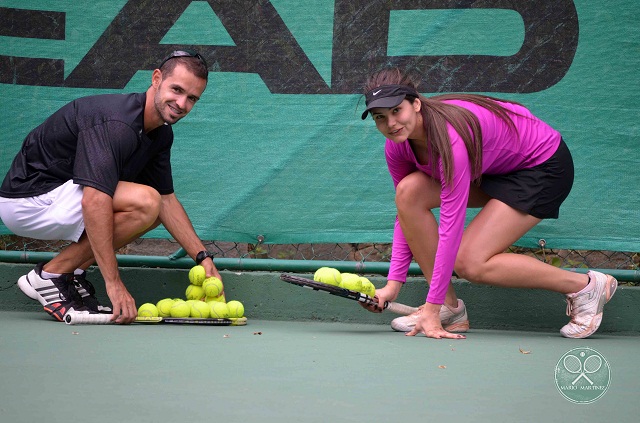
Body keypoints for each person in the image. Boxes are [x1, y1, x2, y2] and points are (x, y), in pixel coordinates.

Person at [359, 67, 617, 339]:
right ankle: (449, 307)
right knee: (408, 193)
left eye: (396, 111)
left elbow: (451, 226)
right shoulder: (397, 145)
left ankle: (586, 287)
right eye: (380, 118)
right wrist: (391, 287)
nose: (391, 123)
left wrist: (429, 308)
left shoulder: (450, 139)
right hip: (491, 170)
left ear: (416, 104)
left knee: (469, 261)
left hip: (541, 168)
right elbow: (405, 213)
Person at [0, 50, 222, 324]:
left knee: (151, 210)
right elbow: (94, 200)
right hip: (29, 199)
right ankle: (50, 276)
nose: (181, 103)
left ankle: (69, 274)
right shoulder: (119, 123)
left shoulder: (160, 133)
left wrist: (202, 258)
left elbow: (166, 201)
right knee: (144, 202)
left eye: (191, 98)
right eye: (176, 90)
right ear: (156, 79)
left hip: (57, 196)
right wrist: (113, 283)